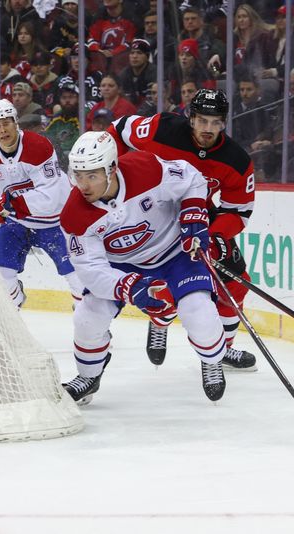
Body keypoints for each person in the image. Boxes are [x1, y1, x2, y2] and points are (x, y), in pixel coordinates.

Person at [60, 130, 228, 405]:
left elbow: (191, 178)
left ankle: (211, 360)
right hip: (123, 267)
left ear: (111, 168)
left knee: (199, 312)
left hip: (175, 253)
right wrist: (130, 287)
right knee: (87, 316)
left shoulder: (146, 169)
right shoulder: (74, 214)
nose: (83, 185)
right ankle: (89, 376)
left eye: (92, 175)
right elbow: (90, 269)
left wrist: (194, 211)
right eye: (78, 175)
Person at [108, 89, 257, 372]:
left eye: (215, 122)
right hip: (151, 213)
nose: (208, 129)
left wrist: (214, 237)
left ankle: (222, 349)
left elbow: (238, 210)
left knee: (236, 280)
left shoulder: (236, 160)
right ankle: (160, 319)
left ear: (224, 122)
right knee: (167, 281)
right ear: (190, 118)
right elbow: (119, 129)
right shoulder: (162, 129)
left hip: (198, 216)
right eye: (202, 121)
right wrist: (116, 180)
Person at [0, 99, 83, 308]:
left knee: (79, 280)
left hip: (58, 220)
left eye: (6, 123)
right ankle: (12, 316)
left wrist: (6, 205)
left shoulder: (38, 146)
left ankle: (88, 329)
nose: (2, 130)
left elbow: (49, 198)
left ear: (16, 122)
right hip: (16, 221)